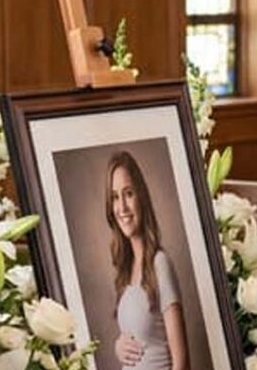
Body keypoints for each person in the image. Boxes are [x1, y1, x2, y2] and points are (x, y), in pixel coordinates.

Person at [107, 151, 189, 370]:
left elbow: (181, 361)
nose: (122, 208)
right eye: (115, 197)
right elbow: (141, 333)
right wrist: (119, 345)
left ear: (141, 197)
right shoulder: (126, 271)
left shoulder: (159, 263)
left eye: (129, 194)